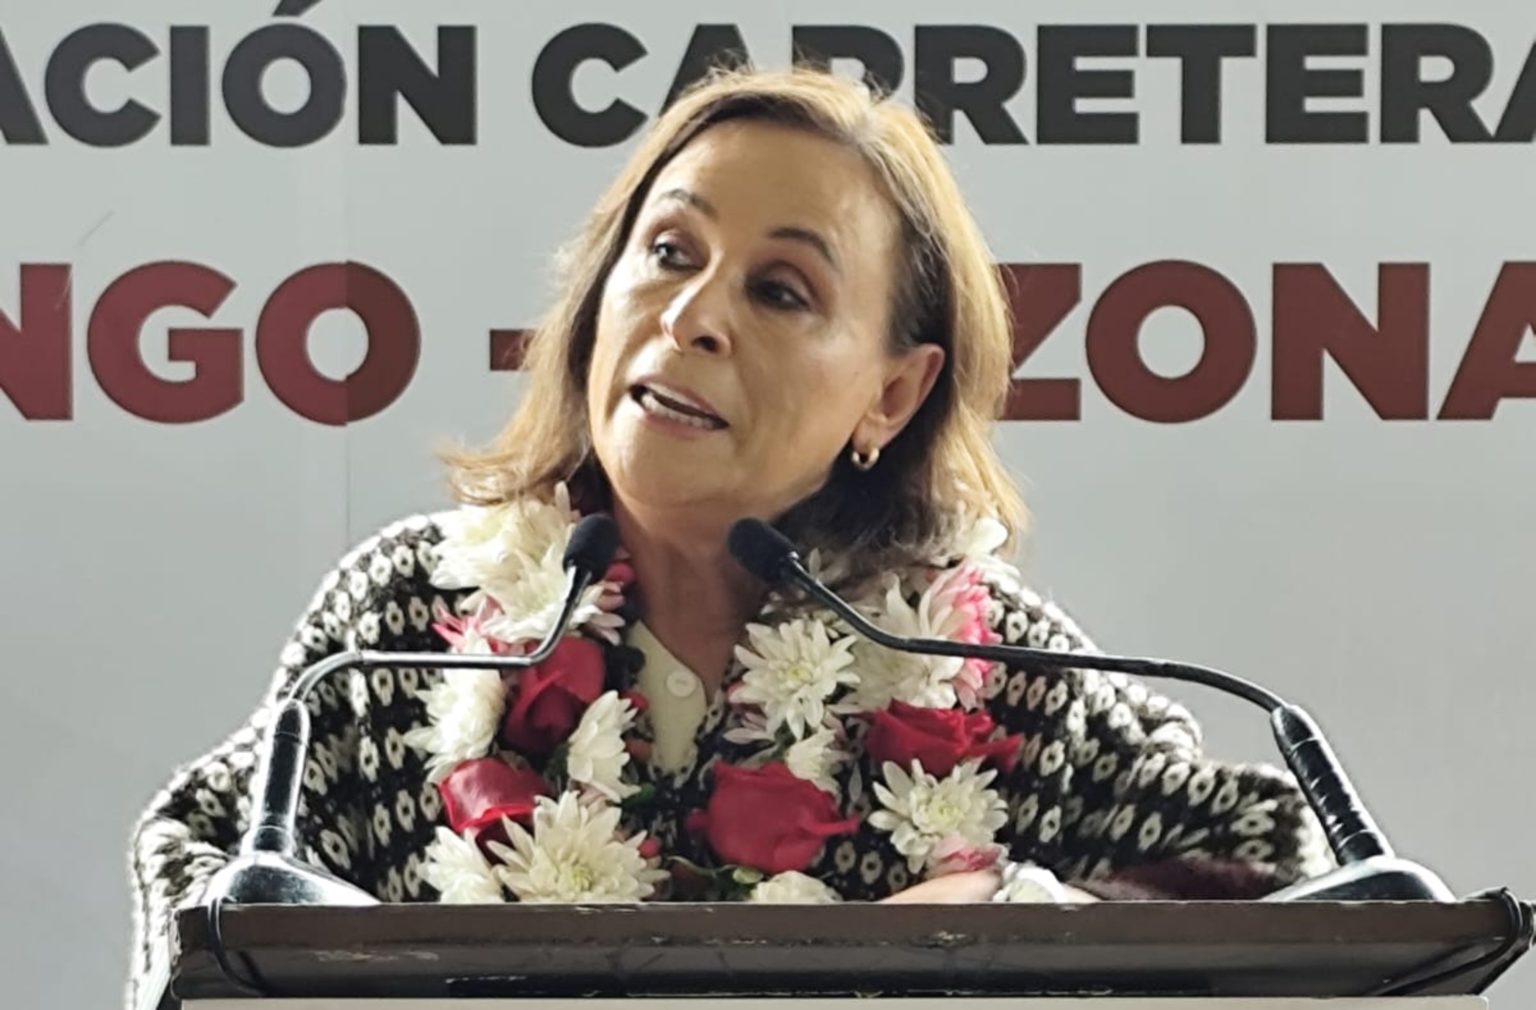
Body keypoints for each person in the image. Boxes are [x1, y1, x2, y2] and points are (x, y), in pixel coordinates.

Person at [125, 67, 1330, 1006]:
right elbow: (202, 858)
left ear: (891, 394)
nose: (694, 316)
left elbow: (1287, 868)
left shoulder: (989, 666)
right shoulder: (408, 618)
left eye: (780, 290)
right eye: (669, 253)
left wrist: (1013, 920)